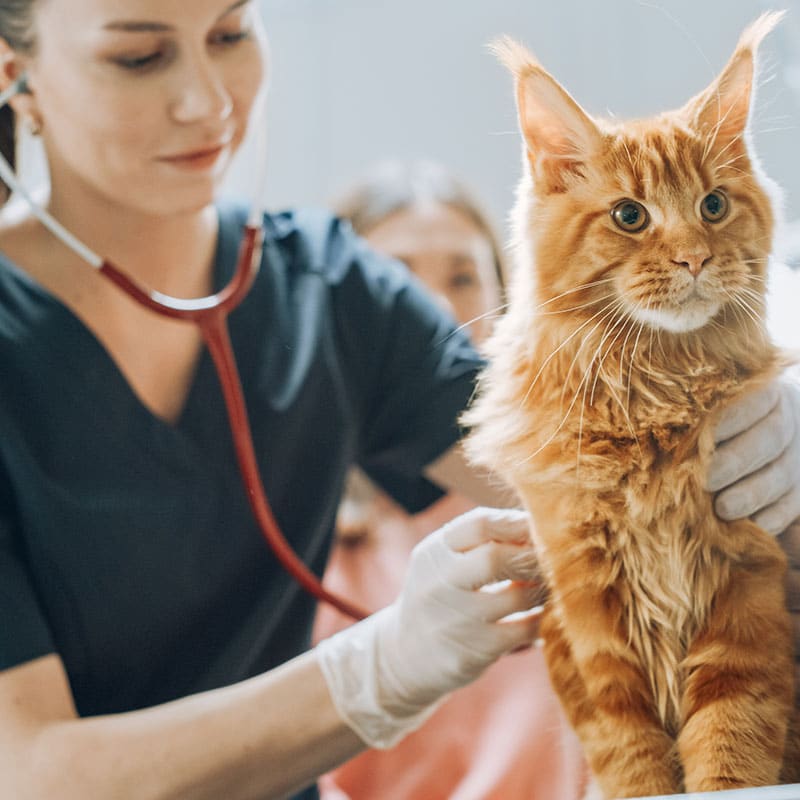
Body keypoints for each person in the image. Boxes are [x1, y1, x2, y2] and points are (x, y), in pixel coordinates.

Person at [0, 3, 796, 799]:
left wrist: (772, 395)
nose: (207, 100)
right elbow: (26, 772)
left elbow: (587, 469)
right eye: (140, 57)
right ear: (15, 76)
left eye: (230, 35)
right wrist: (375, 673)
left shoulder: (330, 289)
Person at [315, 159, 588, 800]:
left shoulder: (559, 514)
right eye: (392, 280)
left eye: (463, 277)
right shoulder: (298, 530)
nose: (432, 308)